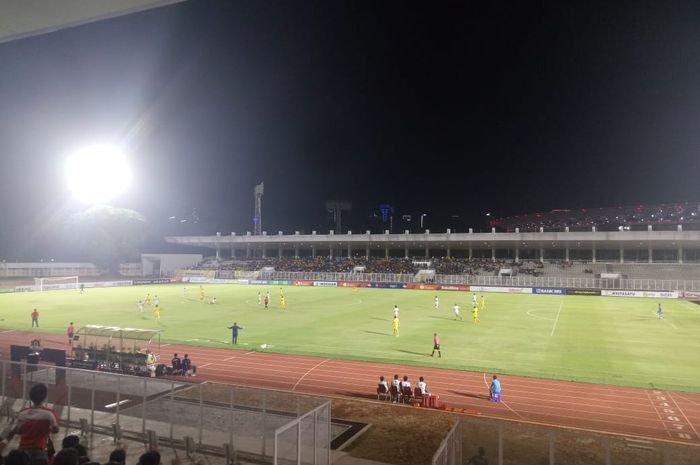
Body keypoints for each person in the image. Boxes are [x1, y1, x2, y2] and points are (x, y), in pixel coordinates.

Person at [7, 383, 59, 463]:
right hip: (40, 449)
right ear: (44, 397)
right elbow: (55, 430)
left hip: (23, 450)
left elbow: (18, 431)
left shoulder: (23, 413)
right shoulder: (49, 413)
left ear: (31, 397)